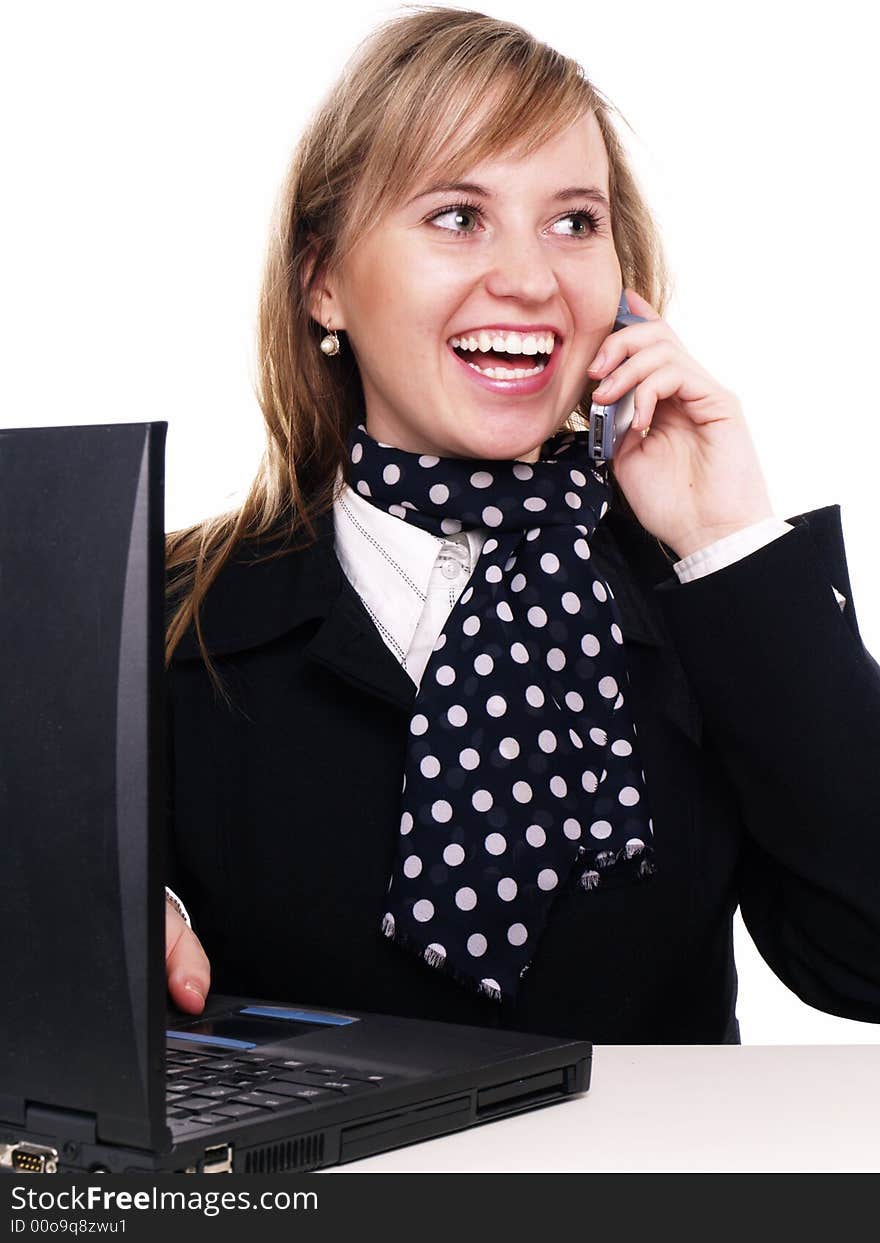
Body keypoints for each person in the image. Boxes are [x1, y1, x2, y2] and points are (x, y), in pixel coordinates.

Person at [162, 5, 880, 1043]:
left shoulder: (699, 603)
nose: (532, 279)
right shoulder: (163, 618)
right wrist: (127, 920)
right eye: (458, 215)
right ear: (323, 283)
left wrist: (726, 540)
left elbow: (863, 956)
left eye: (574, 222)